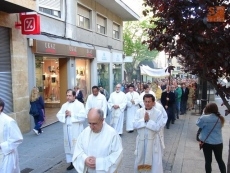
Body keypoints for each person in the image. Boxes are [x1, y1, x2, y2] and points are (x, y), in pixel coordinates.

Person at [72, 108, 123, 173]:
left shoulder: (112, 134)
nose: (91, 127)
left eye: (94, 124)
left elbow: (117, 156)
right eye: (89, 123)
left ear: (102, 120)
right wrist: (85, 159)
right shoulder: (85, 132)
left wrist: (99, 163)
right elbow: (78, 150)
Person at [133, 94, 165, 173]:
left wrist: (148, 121)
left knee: (154, 162)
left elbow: (158, 127)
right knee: (140, 158)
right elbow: (134, 125)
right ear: (143, 102)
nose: (147, 103)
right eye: (145, 101)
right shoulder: (139, 112)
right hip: (141, 140)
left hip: (153, 141)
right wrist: (144, 120)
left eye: (149, 101)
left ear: (153, 102)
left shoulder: (158, 113)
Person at [56, 89, 86, 170]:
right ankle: (72, 163)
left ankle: (79, 163)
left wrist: (71, 114)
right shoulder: (64, 105)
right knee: (69, 146)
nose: (68, 97)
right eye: (67, 95)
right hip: (67, 129)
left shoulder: (80, 105)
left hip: (76, 129)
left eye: (70, 96)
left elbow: (83, 116)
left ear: (74, 96)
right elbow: (58, 114)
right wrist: (64, 115)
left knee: (77, 146)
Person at [196, 103, 226, 173]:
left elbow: (198, 123)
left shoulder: (204, 118)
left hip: (207, 142)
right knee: (219, 160)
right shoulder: (220, 118)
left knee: (208, 161)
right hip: (218, 142)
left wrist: (203, 114)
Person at [0, 98, 23, 173]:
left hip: (5, 155)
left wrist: (1, 146)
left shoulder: (9, 121)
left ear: (0, 107)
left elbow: (17, 138)